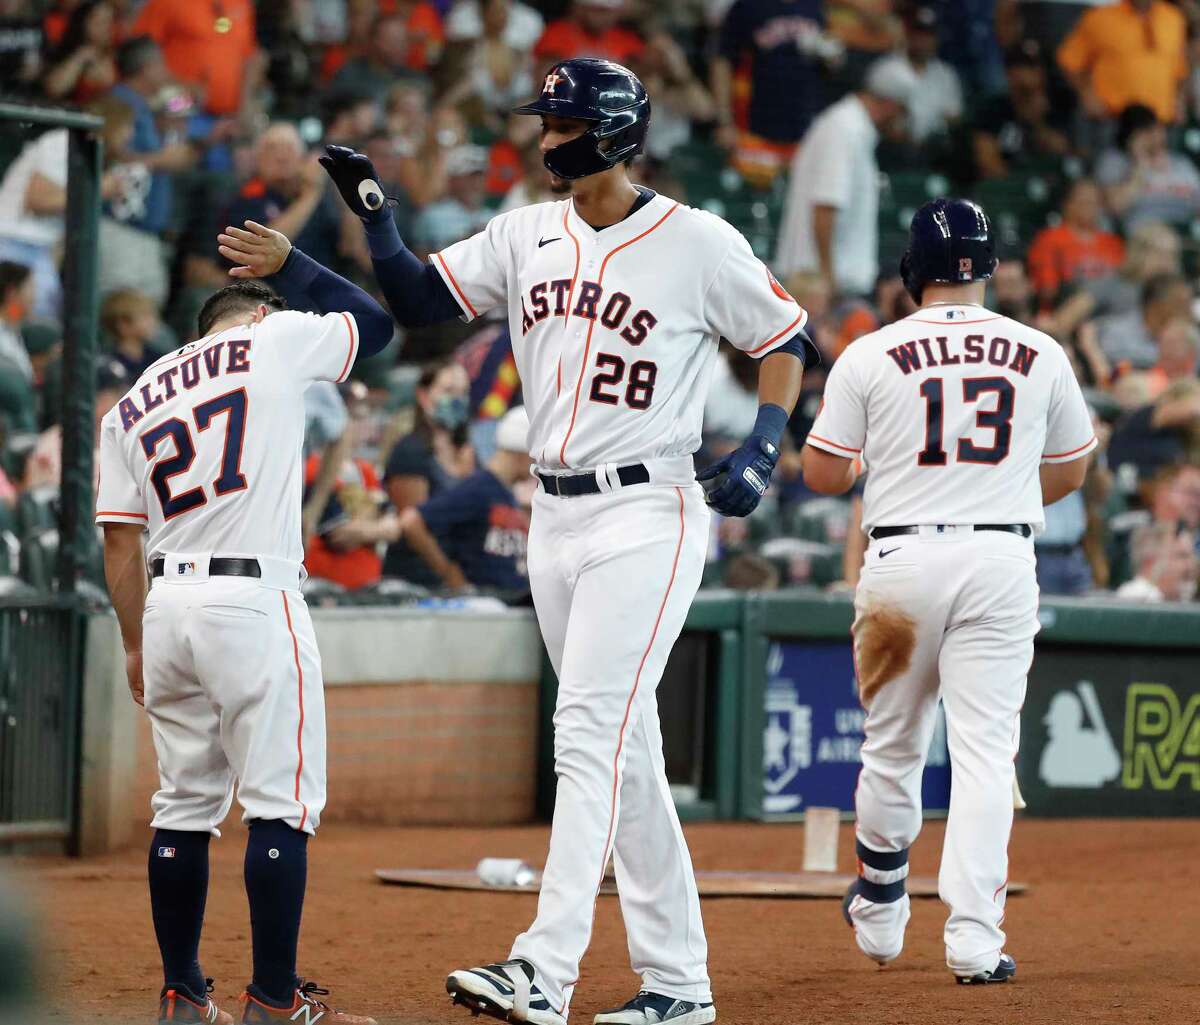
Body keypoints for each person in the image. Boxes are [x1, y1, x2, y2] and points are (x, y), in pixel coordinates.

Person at [319, 55, 818, 1025]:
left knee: (586, 729)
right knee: (623, 748)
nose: (547, 136)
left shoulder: (697, 241)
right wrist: (378, 219)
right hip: (553, 513)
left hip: (650, 510)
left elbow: (785, 341)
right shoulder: (524, 232)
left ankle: (543, 967)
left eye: (564, 122)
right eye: (545, 121)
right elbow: (423, 304)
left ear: (615, 132)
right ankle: (679, 983)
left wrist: (762, 445)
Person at [96, 219, 393, 1025]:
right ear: (259, 313)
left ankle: (183, 991)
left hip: (166, 606)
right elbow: (379, 323)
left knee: (183, 804)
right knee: (279, 805)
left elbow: (119, 539)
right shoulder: (276, 337)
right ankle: (272, 996)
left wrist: (132, 639)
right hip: (253, 598)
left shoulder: (130, 401)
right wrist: (297, 268)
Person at [800, 198, 1096, 983]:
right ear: (990, 269)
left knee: (892, 745)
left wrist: (886, 469)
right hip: (1000, 560)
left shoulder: (871, 352)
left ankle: (882, 897)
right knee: (986, 756)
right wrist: (994, 488)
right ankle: (973, 940)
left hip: (901, 562)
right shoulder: (1041, 350)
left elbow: (823, 470)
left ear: (912, 272)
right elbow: (1072, 467)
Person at [775, 60, 916, 295]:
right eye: (903, 112)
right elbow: (824, 207)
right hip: (816, 288)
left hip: (822, 284)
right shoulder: (844, 129)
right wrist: (829, 282)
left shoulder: (851, 127)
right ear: (891, 105)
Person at [394, 404, 532, 594]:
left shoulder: (505, 492)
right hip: (485, 603)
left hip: (511, 600)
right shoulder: (479, 488)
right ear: (523, 451)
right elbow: (412, 521)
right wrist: (452, 577)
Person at [381, 359, 474, 586]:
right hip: (417, 578)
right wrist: (451, 577)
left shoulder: (468, 451)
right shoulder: (409, 451)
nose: (457, 399)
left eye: (463, 392)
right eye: (449, 390)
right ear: (423, 396)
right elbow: (415, 529)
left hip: (461, 570)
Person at [304, 383, 399, 591]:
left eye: (365, 416)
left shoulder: (366, 470)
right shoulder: (311, 468)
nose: (363, 424)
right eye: (355, 417)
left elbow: (393, 527)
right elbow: (341, 536)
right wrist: (375, 526)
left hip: (366, 586)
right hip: (322, 586)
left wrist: (364, 527)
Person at [1057, 0, 1187, 124]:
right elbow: (1068, 61)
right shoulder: (1101, 18)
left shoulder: (1174, 18)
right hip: (1113, 119)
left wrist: (1179, 98)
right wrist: (1085, 92)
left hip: (1160, 122)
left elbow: (1179, 69)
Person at [133, 0, 262, 118]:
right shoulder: (167, 2)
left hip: (228, 119)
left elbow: (251, 56)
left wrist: (246, 104)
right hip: (177, 107)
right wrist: (181, 84)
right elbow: (139, 53)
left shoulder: (242, 4)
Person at [972, 40, 1069, 181]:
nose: (1028, 74)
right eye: (1021, 67)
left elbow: (1065, 154)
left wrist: (1038, 124)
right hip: (1008, 191)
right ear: (1009, 72)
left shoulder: (1056, 105)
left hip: (1049, 188)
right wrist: (1019, 186)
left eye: (1033, 66)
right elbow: (987, 162)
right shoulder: (993, 109)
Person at [1095, 104, 1200, 232]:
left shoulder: (1180, 162)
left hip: (1185, 227)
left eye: (1156, 129)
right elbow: (1115, 207)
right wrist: (1141, 166)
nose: (1154, 137)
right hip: (1144, 231)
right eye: (1145, 132)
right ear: (1131, 137)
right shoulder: (1115, 162)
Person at [867, 5, 961, 144]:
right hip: (893, 148)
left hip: (935, 148)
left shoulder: (946, 74)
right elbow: (874, 117)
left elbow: (954, 116)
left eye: (929, 35)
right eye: (918, 34)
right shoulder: (884, 70)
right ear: (907, 35)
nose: (923, 41)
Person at [1026, 179, 1124, 309]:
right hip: (1064, 310)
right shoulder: (1049, 239)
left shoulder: (1113, 243)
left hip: (1110, 312)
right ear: (1067, 204)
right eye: (1084, 201)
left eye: (1095, 202)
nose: (1090, 207)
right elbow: (1047, 290)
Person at [1094, 272, 1193, 371]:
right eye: (1180, 304)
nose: (1187, 310)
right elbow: (1116, 369)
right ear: (1156, 305)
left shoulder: (1186, 335)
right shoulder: (1117, 331)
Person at [40, 0, 117, 104]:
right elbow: (53, 89)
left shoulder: (117, 56)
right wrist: (79, 57)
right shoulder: (67, 53)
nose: (104, 27)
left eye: (109, 21)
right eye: (98, 20)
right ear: (82, 21)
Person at [533, 0, 644, 67]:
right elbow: (545, 77)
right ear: (580, 8)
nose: (603, 17)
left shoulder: (625, 39)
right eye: (597, 10)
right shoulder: (557, 34)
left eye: (608, 11)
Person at [1115, 522, 1198, 601]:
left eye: (1192, 557)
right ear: (1150, 560)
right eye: (1182, 556)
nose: (1191, 565)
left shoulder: (1170, 601)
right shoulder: (1135, 595)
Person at [99, 287, 163, 379]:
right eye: (145, 316)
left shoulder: (159, 359)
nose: (152, 322)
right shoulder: (106, 364)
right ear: (123, 325)